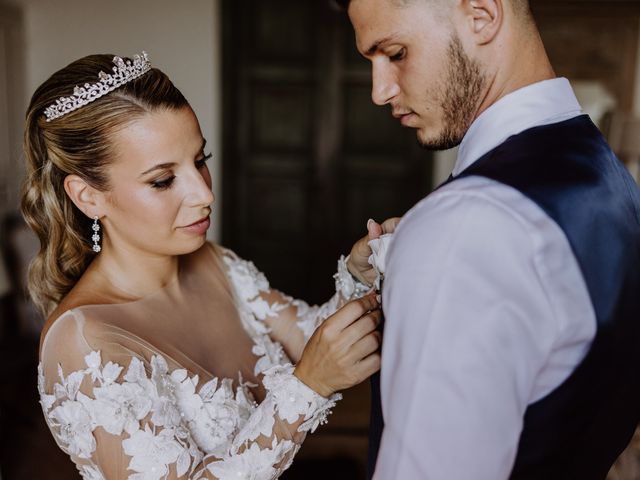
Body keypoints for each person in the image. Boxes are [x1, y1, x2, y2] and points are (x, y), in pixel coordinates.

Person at [23, 52, 389, 479]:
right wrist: (308, 388)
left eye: (200, 160)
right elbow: (314, 371)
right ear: (88, 196)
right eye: (162, 180)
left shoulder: (214, 262)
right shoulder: (85, 343)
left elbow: (313, 343)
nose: (203, 194)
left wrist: (359, 278)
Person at [336, 0, 640, 479]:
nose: (379, 91)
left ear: (481, 15)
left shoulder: (464, 227)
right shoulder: (609, 175)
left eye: (394, 53)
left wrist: (436, 246)